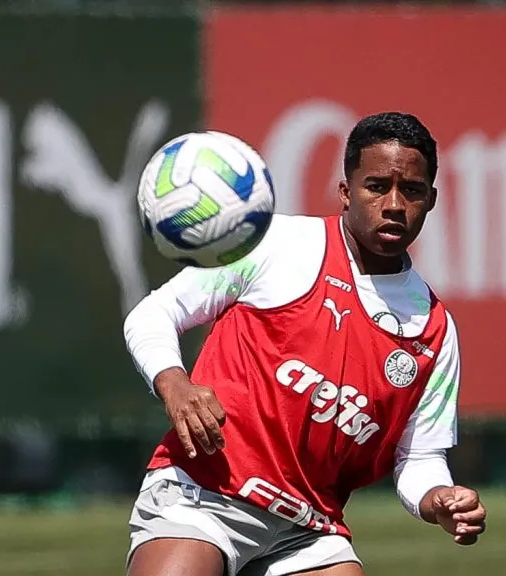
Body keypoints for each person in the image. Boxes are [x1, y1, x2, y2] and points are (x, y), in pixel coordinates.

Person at [122, 112, 486, 576]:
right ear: (346, 191)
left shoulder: (434, 330)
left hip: (309, 529)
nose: (394, 204)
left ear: (431, 199)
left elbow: (419, 457)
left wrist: (438, 500)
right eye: (377, 186)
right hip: (205, 495)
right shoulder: (277, 244)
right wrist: (174, 384)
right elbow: (153, 313)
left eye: (411, 191)